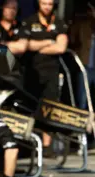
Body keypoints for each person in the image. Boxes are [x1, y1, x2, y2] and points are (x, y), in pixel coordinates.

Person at [20, 0, 68, 157]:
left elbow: (61, 47)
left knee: (49, 107)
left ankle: (47, 145)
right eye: (44, 3)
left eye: (50, 4)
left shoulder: (58, 22)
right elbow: (27, 45)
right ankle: (29, 144)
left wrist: (38, 46)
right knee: (30, 106)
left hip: (52, 72)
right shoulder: (29, 21)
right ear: (38, 4)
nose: (47, 7)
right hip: (32, 71)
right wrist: (48, 41)